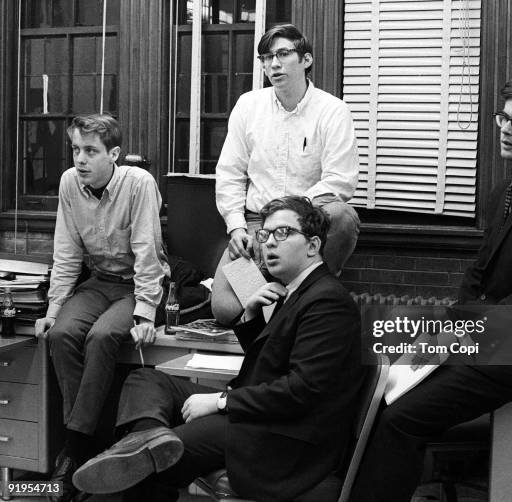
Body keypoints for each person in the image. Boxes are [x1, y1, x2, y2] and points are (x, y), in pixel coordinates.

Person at [349, 74, 512, 502]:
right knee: (371, 376)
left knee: (401, 417)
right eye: (504, 117)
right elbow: (478, 275)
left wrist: (466, 331)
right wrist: (454, 327)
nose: (505, 128)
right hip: (489, 339)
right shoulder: (506, 190)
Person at [72, 196, 364, 502]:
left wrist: (222, 401)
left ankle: (146, 446)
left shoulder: (327, 301)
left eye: (283, 233)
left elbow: (301, 390)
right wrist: (250, 317)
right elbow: (272, 361)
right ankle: (148, 439)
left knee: (157, 462)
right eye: (264, 235)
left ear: (314, 245)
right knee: (147, 379)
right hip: (261, 418)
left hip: (280, 437)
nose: (268, 244)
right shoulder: (295, 290)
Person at [34, 114, 170, 502]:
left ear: (114, 154)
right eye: (76, 149)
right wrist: (54, 306)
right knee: (61, 334)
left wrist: (145, 311)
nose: (80, 159)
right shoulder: (68, 183)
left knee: (104, 335)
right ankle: (90, 450)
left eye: (91, 151)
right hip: (99, 282)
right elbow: (66, 250)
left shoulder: (138, 184)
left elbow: (148, 251)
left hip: (139, 286)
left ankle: (75, 450)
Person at [212, 23, 360, 325]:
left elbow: (340, 180)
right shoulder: (248, 106)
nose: (273, 64)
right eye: (266, 57)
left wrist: (288, 215)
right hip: (256, 223)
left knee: (343, 217)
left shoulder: (333, 110)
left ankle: (309, 293)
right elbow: (229, 173)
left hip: (306, 223)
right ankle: (277, 304)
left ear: (306, 60)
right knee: (224, 309)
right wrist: (236, 228)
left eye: (282, 54)